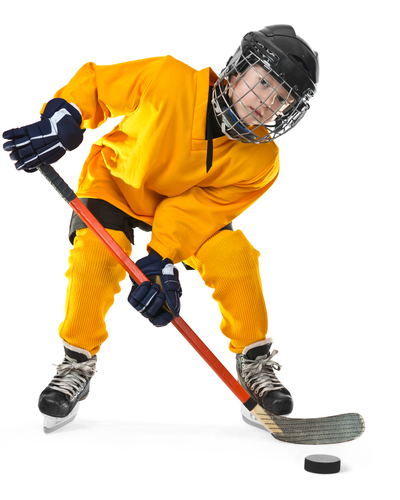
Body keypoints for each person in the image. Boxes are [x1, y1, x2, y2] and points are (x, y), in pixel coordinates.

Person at [3, 24, 319, 432]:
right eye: (262, 84)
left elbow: (199, 208)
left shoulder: (261, 161)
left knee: (235, 259)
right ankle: (75, 364)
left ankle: (254, 363)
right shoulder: (168, 79)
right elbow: (99, 86)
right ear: (237, 72)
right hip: (116, 182)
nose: (266, 104)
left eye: (280, 99)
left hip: (176, 211)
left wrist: (161, 259)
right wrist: (62, 120)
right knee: (95, 260)